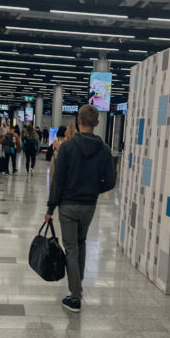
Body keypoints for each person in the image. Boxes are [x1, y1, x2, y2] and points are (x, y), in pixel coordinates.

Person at [45, 104, 116, 313]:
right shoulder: (103, 150)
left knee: (71, 248)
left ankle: (75, 297)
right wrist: (94, 189)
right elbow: (111, 181)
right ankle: (78, 286)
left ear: (78, 121)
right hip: (88, 206)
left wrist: (50, 208)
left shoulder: (67, 147)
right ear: (97, 123)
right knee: (81, 242)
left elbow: (58, 181)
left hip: (67, 205)